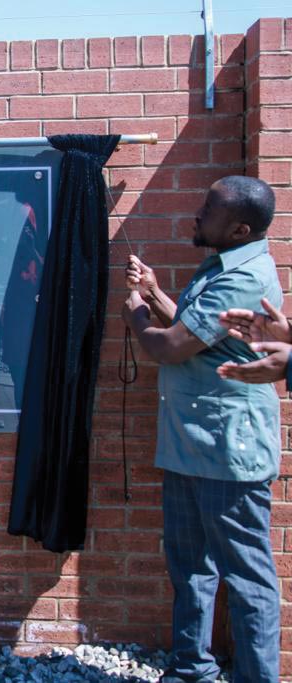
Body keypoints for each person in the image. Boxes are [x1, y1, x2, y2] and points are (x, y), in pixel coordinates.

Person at [121, 176, 281, 683]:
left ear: (239, 228)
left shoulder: (244, 278)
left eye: (208, 209)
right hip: (190, 445)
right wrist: (154, 294)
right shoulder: (221, 264)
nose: (197, 213)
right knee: (190, 567)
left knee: (247, 577)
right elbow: (198, 334)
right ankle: (192, 669)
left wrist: (138, 316)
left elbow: (170, 347)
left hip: (228, 453)